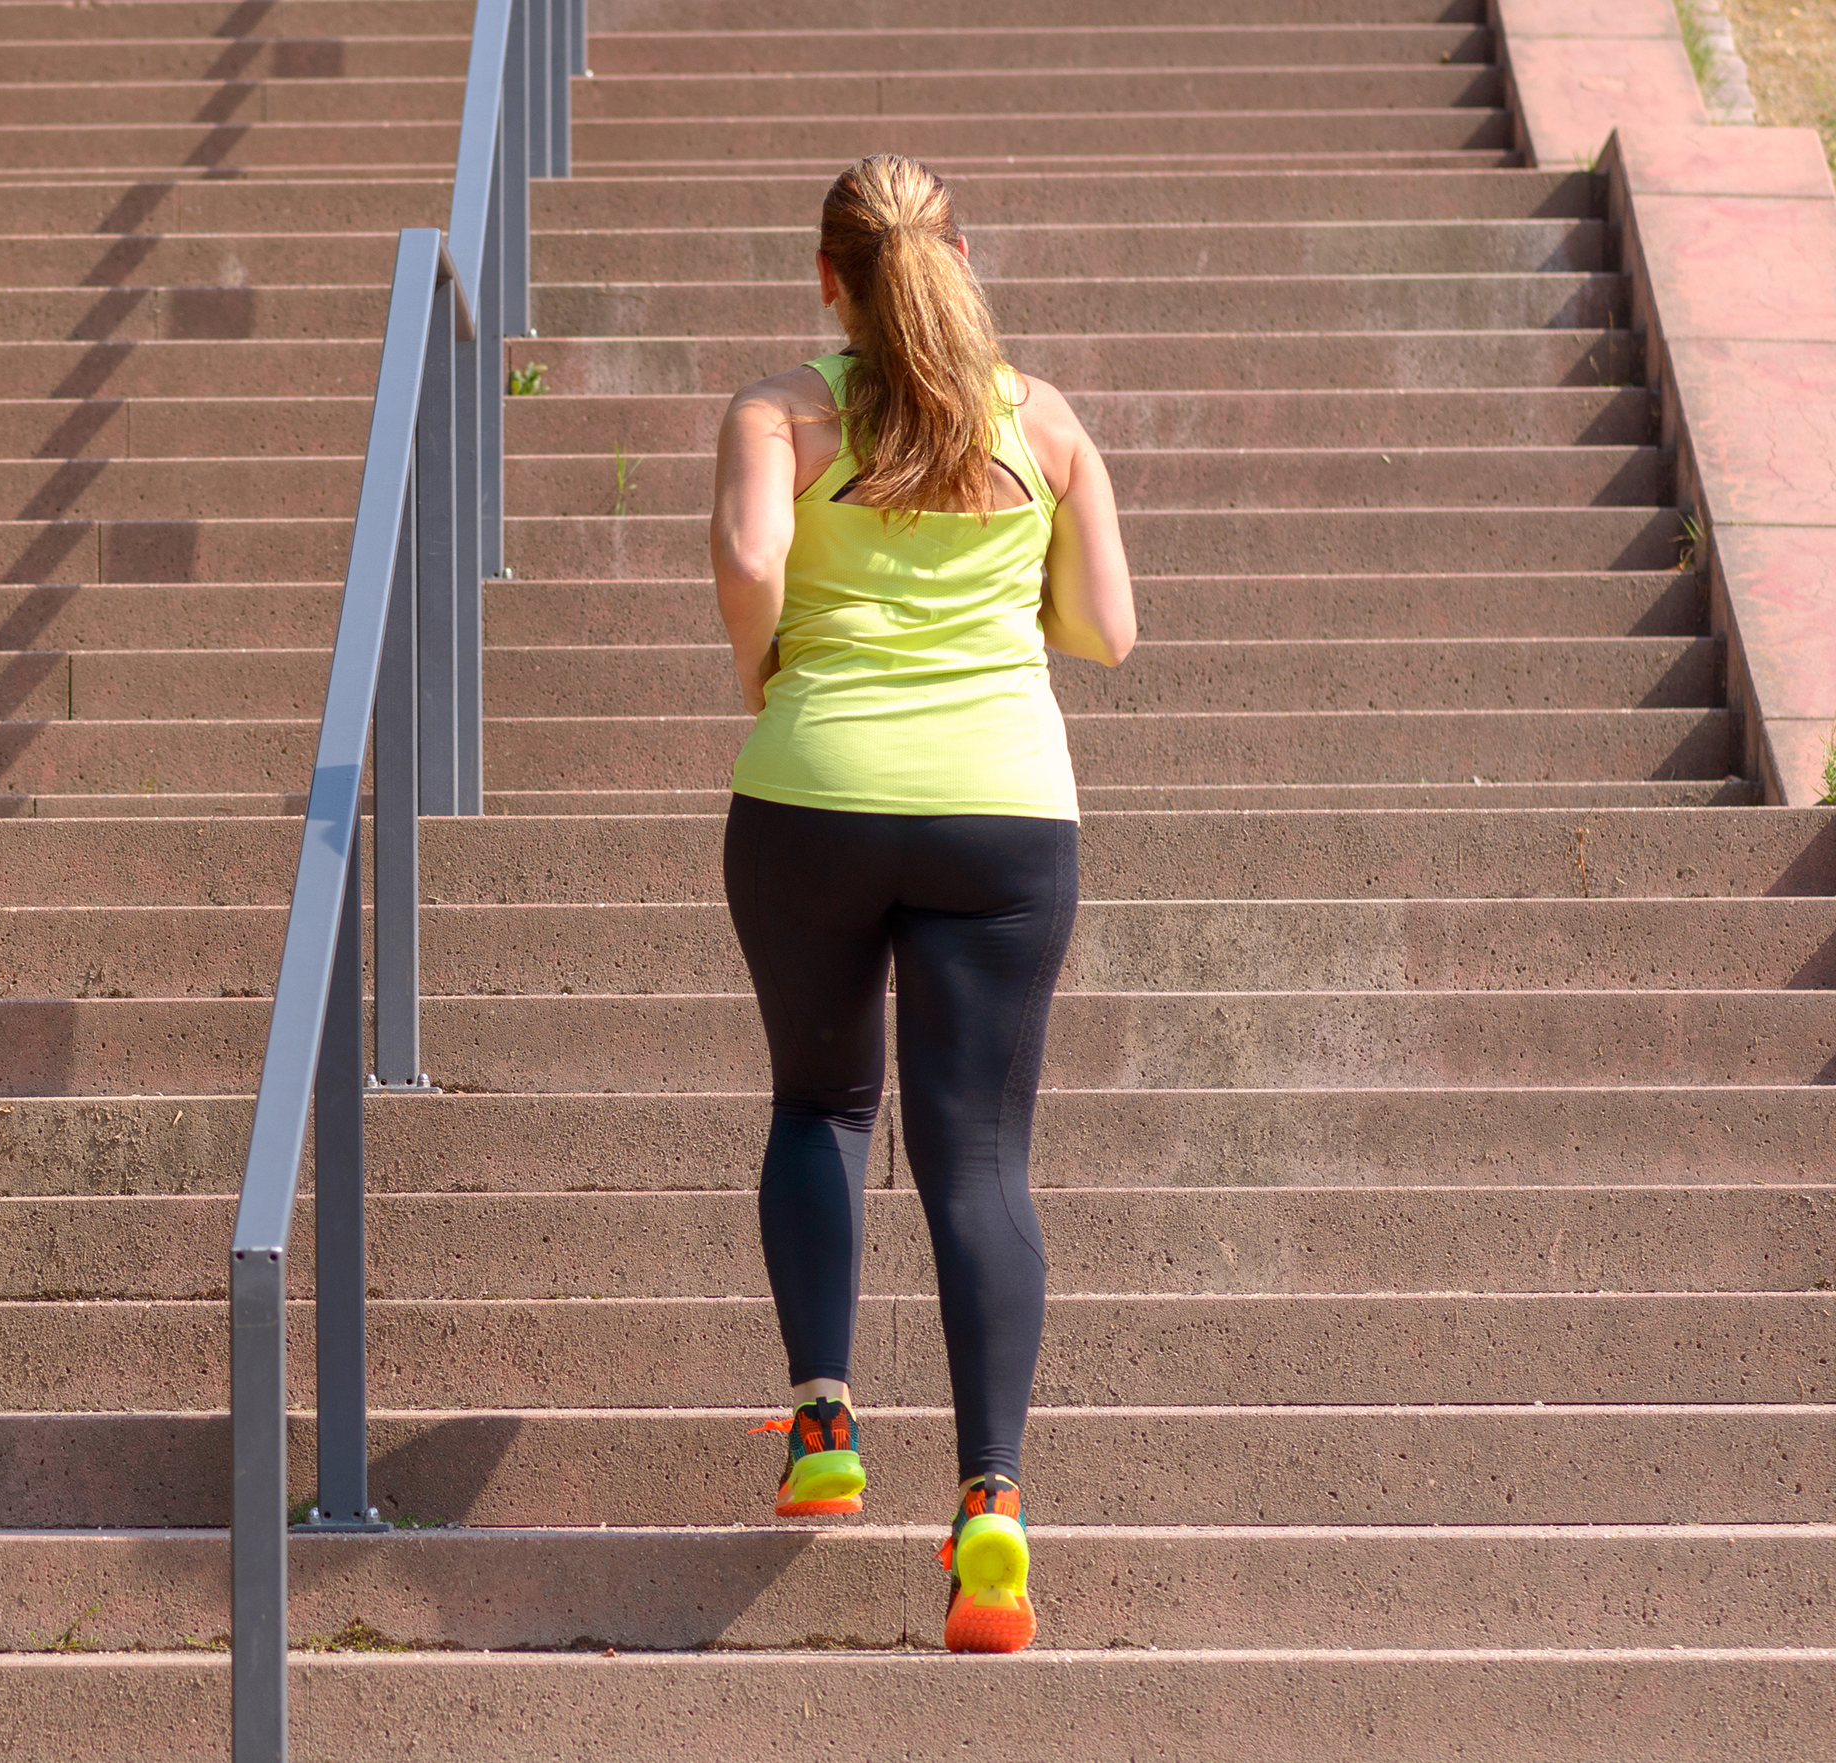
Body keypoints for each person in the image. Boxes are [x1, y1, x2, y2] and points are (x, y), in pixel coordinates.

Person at [708, 153, 1135, 1655]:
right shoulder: (1045, 421)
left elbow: (754, 554)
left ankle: (822, 1425)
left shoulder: (779, 410)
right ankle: (991, 1512)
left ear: (829, 275)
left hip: (811, 790)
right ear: (958, 256)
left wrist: (770, 674)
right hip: (1003, 813)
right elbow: (1106, 629)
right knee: (979, 1160)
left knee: (818, 1103)